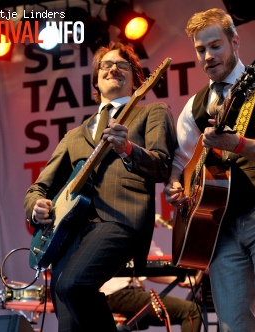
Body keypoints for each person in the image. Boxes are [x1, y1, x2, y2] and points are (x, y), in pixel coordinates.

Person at [163, 8, 255, 332]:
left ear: (234, 42)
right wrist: (174, 184)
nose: (208, 56)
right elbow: (179, 160)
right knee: (232, 326)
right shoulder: (195, 106)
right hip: (219, 226)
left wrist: (237, 144)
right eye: (201, 50)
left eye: (215, 46)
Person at [24, 41, 177, 331]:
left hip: (121, 220)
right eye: (106, 65)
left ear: (137, 77)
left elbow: (161, 167)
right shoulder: (73, 136)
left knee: (73, 284)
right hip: (70, 231)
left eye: (123, 65)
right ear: (96, 79)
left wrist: (128, 149)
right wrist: (37, 207)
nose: (114, 69)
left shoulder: (152, 112)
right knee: (67, 314)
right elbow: (38, 189)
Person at [101, 240, 202, 332]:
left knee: (190, 311)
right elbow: (161, 263)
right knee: (191, 311)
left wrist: (182, 280)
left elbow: (155, 267)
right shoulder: (136, 230)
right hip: (118, 294)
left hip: (120, 295)